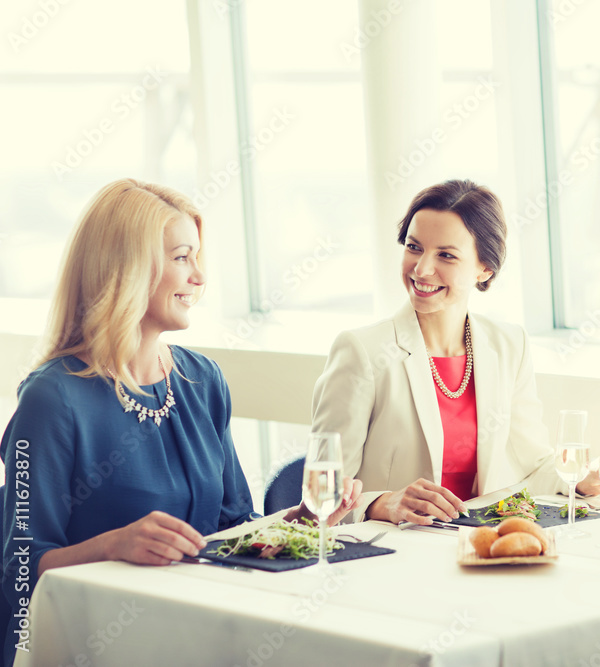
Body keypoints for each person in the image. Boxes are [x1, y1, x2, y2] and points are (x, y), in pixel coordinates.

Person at [0, 179, 361, 665]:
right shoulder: (53, 398)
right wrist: (113, 545)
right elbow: (20, 569)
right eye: (181, 257)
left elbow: (234, 527)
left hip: (201, 627)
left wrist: (299, 522)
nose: (199, 277)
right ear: (125, 268)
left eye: (196, 258)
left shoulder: (202, 379)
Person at [312, 179, 600, 525]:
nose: (422, 269)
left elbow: (533, 467)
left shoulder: (509, 345)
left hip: (479, 547)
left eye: (446, 255)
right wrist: (382, 504)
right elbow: (321, 496)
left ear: (485, 267)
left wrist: (585, 481)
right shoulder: (361, 351)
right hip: (394, 554)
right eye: (414, 247)